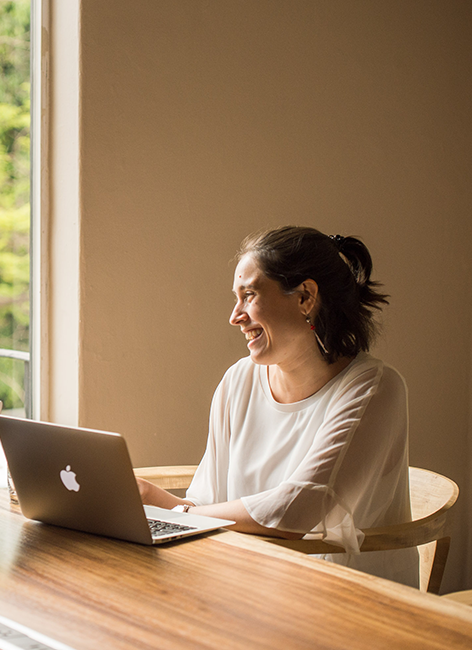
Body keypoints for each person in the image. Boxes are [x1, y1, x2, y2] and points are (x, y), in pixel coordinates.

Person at [137, 226, 417, 586]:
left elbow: (293, 512)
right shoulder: (239, 380)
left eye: (249, 295)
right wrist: (159, 502)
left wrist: (179, 511)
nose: (235, 316)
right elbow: (209, 498)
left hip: (344, 603)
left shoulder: (375, 389)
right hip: (247, 587)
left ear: (305, 297)